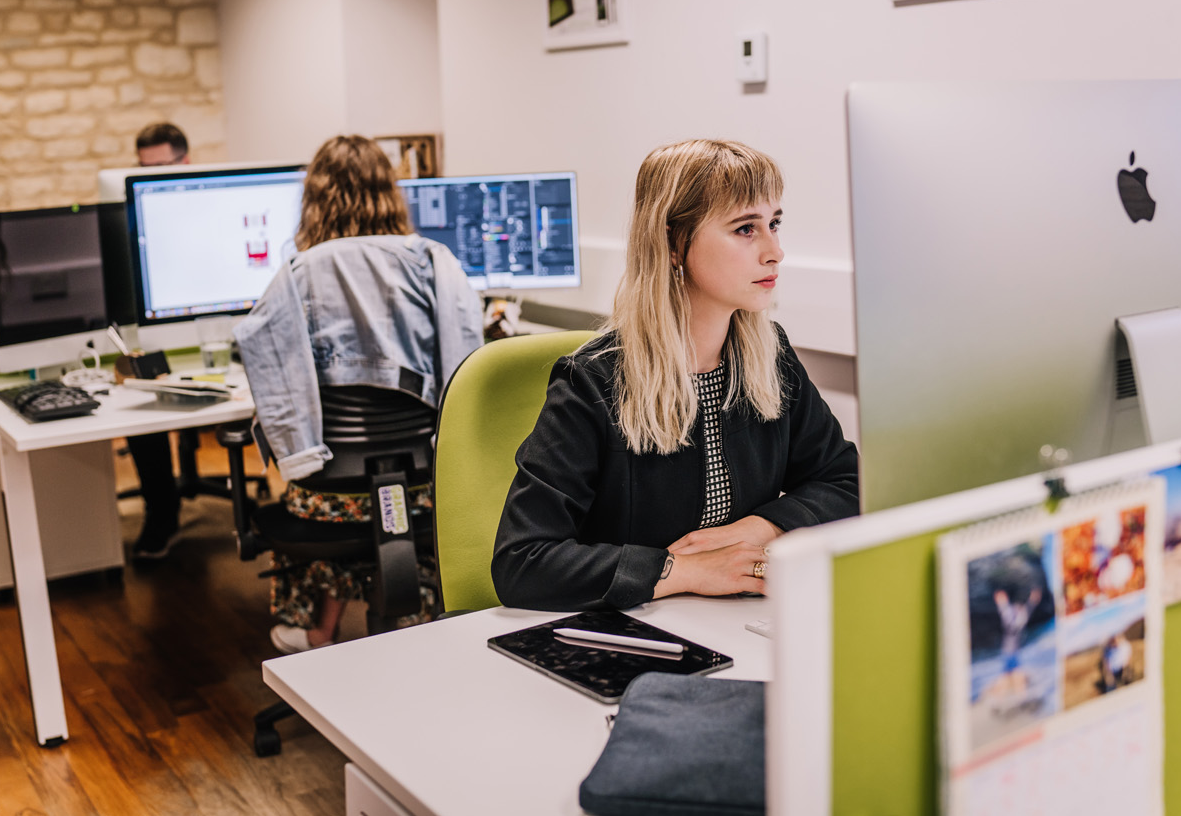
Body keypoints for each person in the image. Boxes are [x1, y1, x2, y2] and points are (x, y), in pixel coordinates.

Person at [492, 139, 860, 612]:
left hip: (736, 618)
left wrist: (758, 528)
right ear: (672, 242)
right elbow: (522, 561)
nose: (775, 251)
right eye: (746, 228)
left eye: (774, 223)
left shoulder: (769, 356)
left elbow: (845, 481)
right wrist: (682, 569)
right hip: (633, 630)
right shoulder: (594, 382)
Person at [235, 135, 483, 654]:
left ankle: (318, 629)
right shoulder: (434, 260)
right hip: (422, 489)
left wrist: (298, 453)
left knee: (335, 498)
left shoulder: (299, 272)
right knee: (394, 513)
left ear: (316, 199)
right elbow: (467, 364)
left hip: (329, 494)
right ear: (388, 194)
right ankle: (418, 629)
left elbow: (263, 350)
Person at [125, 122, 191, 559]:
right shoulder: (136, 212)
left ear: (185, 162)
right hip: (160, 331)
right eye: (143, 168)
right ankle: (161, 511)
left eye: (162, 167)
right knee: (136, 407)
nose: (152, 177)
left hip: (224, 331)